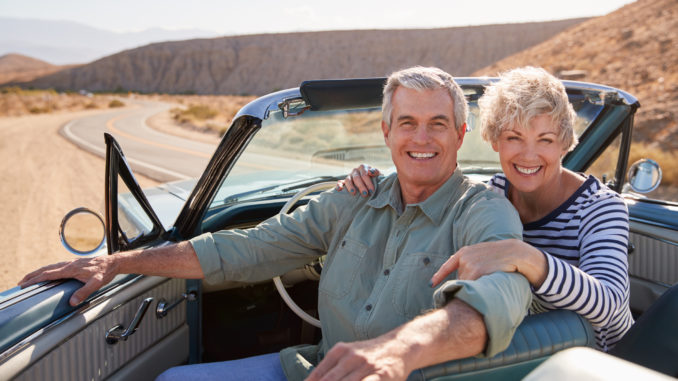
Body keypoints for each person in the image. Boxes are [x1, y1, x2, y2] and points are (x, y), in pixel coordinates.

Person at [19, 66, 532, 381]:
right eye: (408, 122)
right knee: (176, 378)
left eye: (438, 124)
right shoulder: (352, 199)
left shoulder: (482, 211)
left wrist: (395, 353)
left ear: (462, 134)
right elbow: (250, 248)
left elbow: (495, 299)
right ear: (386, 131)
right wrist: (117, 261)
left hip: (409, 377)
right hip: (314, 367)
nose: (422, 138)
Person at [338, 66, 634, 352]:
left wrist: (525, 257)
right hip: (524, 351)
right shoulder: (491, 195)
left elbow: (608, 304)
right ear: (495, 140)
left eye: (545, 140)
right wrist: (372, 179)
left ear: (565, 143)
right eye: (513, 138)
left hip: (598, 359)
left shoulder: (600, 208)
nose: (528, 155)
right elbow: (435, 183)